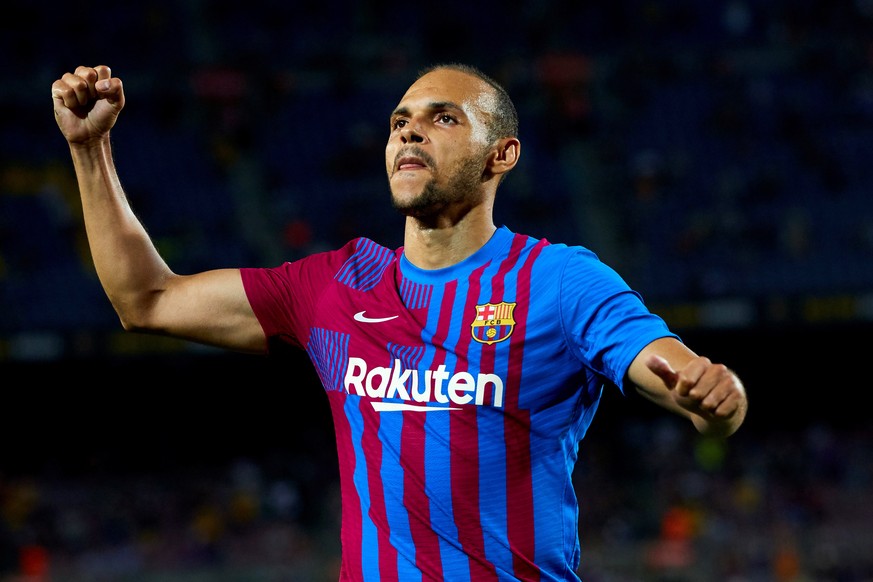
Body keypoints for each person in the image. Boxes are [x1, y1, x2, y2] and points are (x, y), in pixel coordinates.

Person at [52, 62, 747, 581]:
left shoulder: (556, 281)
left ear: (500, 155)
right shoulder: (333, 287)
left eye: (444, 117)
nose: (409, 128)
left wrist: (711, 400)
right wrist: (90, 150)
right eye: (399, 120)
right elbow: (144, 300)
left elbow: (671, 370)